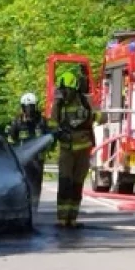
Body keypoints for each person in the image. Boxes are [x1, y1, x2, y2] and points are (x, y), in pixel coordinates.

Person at [49, 72, 97, 228]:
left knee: (77, 185)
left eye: (65, 90)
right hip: (67, 150)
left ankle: (73, 218)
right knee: (64, 183)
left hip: (83, 150)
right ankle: (62, 219)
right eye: (61, 90)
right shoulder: (59, 104)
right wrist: (58, 133)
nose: (62, 93)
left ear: (73, 89)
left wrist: (91, 115)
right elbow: (52, 123)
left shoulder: (85, 101)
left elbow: (101, 117)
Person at [7, 92, 49, 211]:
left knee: (36, 186)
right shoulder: (17, 122)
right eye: (26, 107)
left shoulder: (41, 122)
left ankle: (34, 208)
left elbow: (49, 137)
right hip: (23, 160)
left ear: (35, 107)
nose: (29, 110)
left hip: (37, 160)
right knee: (22, 184)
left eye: (31, 107)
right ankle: (22, 207)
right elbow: (10, 139)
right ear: (22, 107)